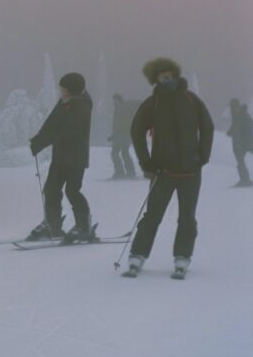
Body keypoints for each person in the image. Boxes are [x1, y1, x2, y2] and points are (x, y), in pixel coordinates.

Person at [124, 58, 214, 279]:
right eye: (163, 77)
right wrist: (146, 163)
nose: (168, 79)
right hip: (162, 171)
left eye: (170, 75)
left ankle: (182, 257)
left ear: (176, 75)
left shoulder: (191, 100)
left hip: (190, 171)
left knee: (187, 217)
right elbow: (136, 131)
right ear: (155, 79)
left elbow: (207, 126)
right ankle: (137, 256)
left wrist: (202, 156)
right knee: (152, 216)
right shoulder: (152, 103)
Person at [27, 72, 93, 242]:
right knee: (51, 189)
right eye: (61, 89)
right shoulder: (65, 102)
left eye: (64, 90)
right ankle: (52, 225)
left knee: (72, 191)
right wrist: (38, 140)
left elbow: (68, 131)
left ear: (73, 91)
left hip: (76, 158)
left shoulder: (82, 106)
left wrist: (44, 141)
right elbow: (51, 123)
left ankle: (83, 226)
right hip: (61, 156)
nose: (61, 93)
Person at [108, 93, 136, 178]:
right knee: (124, 153)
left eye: (114, 99)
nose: (113, 101)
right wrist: (113, 135)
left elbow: (123, 124)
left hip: (122, 136)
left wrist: (116, 135)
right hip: (122, 136)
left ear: (118, 100)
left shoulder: (121, 109)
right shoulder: (119, 108)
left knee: (115, 153)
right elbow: (117, 124)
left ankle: (120, 172)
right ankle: (130, 172)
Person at [227, 98, 253, 187]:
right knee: (240, 162)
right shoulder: (235, 116)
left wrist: (245, 136)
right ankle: (244, 180)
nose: (233, 109)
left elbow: (249, 125)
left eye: (234, 107)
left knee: (240, 161)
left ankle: (245, 180)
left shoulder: (244, 115)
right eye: (232, 107)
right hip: (238, 144)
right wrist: (230, 131)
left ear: (238, 106)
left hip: (246, 142)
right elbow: (235, 126)